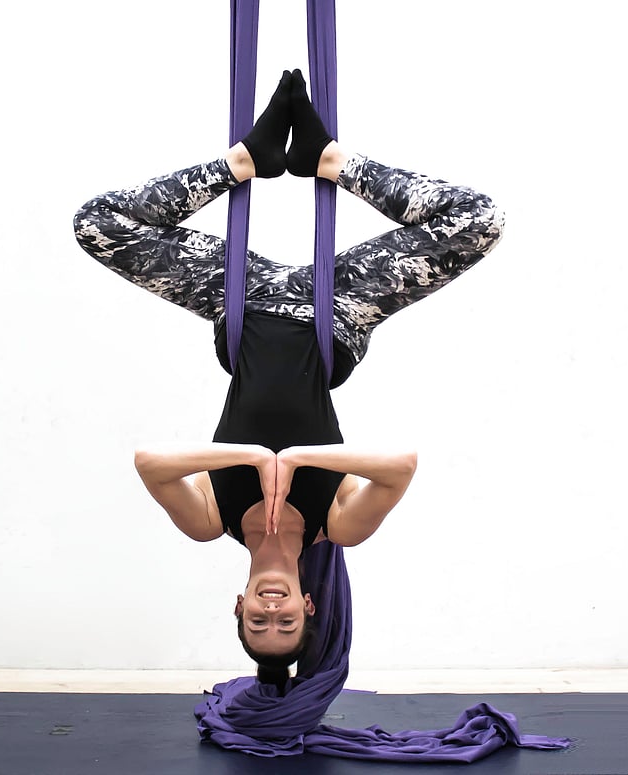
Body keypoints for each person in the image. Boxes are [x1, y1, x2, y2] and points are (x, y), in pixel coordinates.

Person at [73, 69, 504, 685]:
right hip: (336, 313)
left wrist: (252, 455)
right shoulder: (340, 524)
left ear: (239, 606)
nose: (270, 614)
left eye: (257, 623)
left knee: (98, 225)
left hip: (242, 304)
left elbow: (148, 461)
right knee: (477, 220)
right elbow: (402, 464)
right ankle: (329, 159)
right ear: (308, 607)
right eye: (285, 623)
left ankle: (243, 161)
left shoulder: (209, 520)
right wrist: (296, 461)